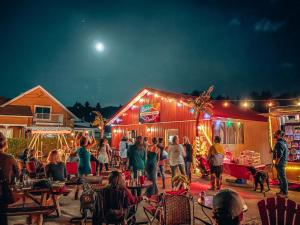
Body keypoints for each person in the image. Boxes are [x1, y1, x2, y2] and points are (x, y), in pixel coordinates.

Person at [273, 130, 289, 197]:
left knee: (282, 178)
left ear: (279, 135)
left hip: (280, 163)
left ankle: (285, 193)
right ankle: (282, 191)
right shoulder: (284, 142)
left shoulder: (279, 143)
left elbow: (279, 154)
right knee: (281, 177)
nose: (274, 134)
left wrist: (276, 162)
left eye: (276, 134)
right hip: (283, 162)